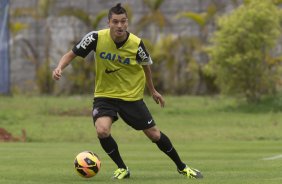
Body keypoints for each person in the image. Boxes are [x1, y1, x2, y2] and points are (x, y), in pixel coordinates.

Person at [52, 3, 203, 180]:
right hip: (104, 96)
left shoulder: (137, 44)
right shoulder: (95, 38)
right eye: (115, 21)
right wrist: (59, 67)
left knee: (154, 134)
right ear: (109, 22)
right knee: (102, 130)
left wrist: (153, 91)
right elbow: (71, 54)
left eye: (123, 21)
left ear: (127, 23)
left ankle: (182, 167)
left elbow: (146, 68)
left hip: (131, 97)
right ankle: (122, 168)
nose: (120, 26)